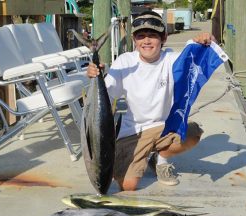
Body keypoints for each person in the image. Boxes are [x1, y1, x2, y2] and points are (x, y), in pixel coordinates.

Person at [87, 11, 216, 191]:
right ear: (134, 40)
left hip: (164, 128)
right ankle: (144, 156)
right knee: (128, 186)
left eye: (153, 36)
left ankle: (160, 160)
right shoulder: (125, 62)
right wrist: (96, 76)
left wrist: (204, 39)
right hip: (134, 132)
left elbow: (193, 52)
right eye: (141, 36)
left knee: (193, 133)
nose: (146, 41)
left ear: (164, 38)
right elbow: (107, 95)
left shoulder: (172, 59)